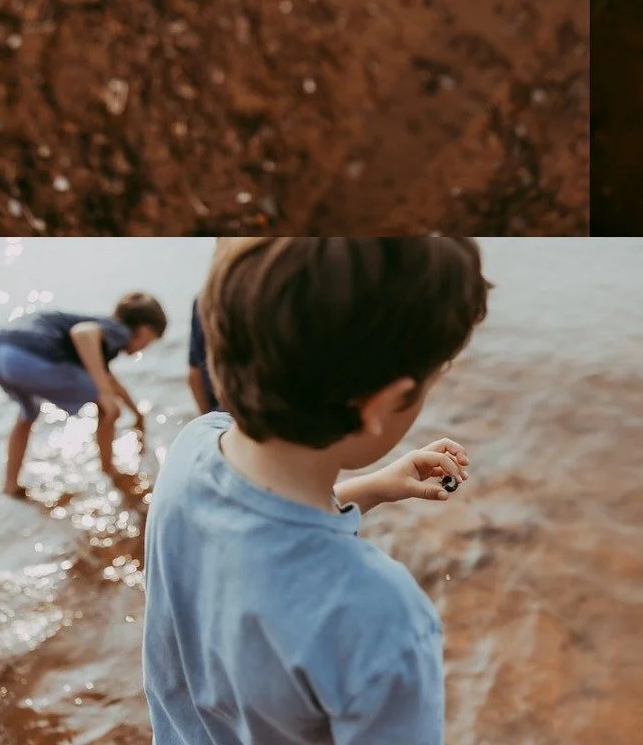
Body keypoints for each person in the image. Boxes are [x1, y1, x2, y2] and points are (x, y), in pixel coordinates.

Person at [142, 238, 491, 743]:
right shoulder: (380, 615)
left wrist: (371, 488)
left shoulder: (191, 448)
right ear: (381, 404)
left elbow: (256, 525)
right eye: (433, 380)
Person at [0, 292, 167, 497]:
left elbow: (110, 380)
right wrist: (105, 395)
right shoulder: (119, 331)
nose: (144, 348)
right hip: (31, 357)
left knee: (27, 415)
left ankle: (10, 486)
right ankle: (110, 471)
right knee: (109, 407)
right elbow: (83, 334)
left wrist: (137, 413)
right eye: (150, 341)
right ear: (144, 331)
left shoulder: (100, 341)